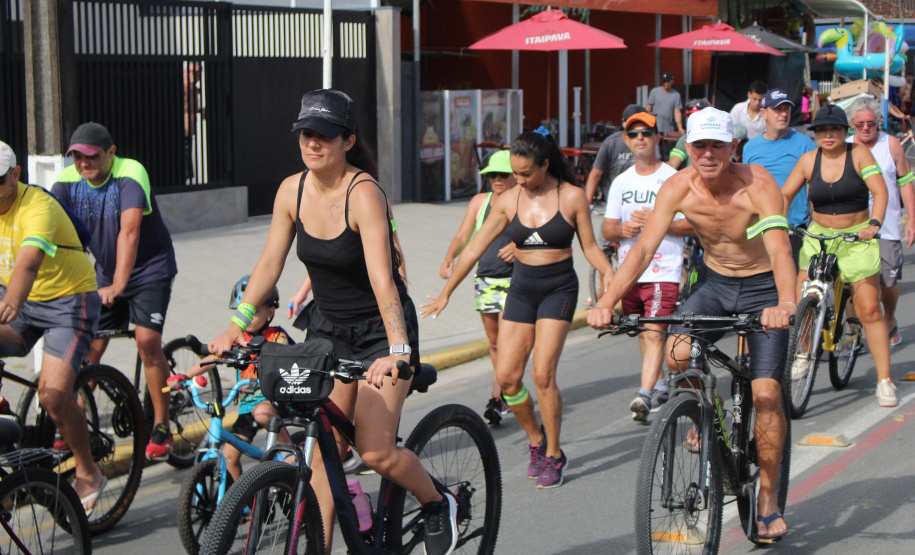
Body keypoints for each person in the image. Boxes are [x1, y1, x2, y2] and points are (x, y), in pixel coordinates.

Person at [210, 89, 457, 555]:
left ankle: (435, 501)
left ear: (347, 141)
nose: (313, 143)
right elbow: (268, 265)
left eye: (324, 135)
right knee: (321, 453)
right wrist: (236, 327)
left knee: (376, 451)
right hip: (326, 329)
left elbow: (385, 283)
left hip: (379, 331)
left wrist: (398, 351)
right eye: (306, 133)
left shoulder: (364, 194)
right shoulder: (291, 190)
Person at [588, 108, 795, 539]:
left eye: (717, 145)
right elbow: (643, 251)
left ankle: (769, 498)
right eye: (699, 145)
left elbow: (779, 251)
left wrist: (787, 302)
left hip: (764, 290)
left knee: (767, 393)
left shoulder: (758, 183)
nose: (707, 154)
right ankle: (707, 421)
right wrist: (606, 300)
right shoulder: (677, 187)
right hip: (716, 284)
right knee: (677, 354)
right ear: (688, 146)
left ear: (732, 146)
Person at [422, 126, 615, 489]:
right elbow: (477, 245)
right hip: (522, 289)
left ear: (545, 165)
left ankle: (555, 454)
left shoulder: (571, 197)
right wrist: (447, 291)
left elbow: (589, 247)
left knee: (542, 375)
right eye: (515, 173)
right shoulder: (509, 200)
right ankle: (536, 439)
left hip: (558, 288)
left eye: (526, 173)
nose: (519, 180)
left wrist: (607, 274)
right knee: (509, 378)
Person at [51, 122, 180, 461]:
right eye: (77, 157)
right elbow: (50, 234)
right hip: (105, 275)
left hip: (149, 270)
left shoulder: (130, 173)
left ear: (111, 152)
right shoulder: (66, 182)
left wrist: (120, 285)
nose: (83, 164)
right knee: (87, 346)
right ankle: (74, 422)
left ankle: (162, 426)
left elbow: (130, 232)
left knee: (147, 340)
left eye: (91, 156)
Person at [0, 141, 106, 514]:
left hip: (67, 301)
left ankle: (89, 471)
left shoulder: (37, 207)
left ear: (15, 175)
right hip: (20, 303)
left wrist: (10, 303)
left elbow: (28, 264)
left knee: (53, 393)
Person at [781, 104, 895, 407]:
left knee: (869, 309)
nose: (828, 135)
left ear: (845, 132)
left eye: (834, 129)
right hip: (820, 236)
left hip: (857, 237)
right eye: (821, 130)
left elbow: (880, 192)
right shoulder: (808, 161)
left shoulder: (859, 154)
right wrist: (776, 221)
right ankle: (804, 352)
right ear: (815, 134)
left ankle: (885, 380)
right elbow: (785, 194)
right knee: (802, 293)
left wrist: (874, 224)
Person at [601, 112, 693, 421]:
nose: (641, 138)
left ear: (658, 138)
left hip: (663, 269)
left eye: (647, 133)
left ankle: (644, 393)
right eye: (634, 133)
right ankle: (661, 384)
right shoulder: (621, 182)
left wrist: (658, 223)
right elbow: (607, 228)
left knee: (654, 334)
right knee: (643, 334)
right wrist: (622, 230)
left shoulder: (673, 178)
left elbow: (692, 224)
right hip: (631, 271)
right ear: (626, 140)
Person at [168, 276, 294, 480]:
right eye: (243, 312)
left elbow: (287, 354)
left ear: (270, 312)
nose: (247, 318)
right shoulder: (239, 338)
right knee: (228, 456)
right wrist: (184, 376)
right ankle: (243, 507)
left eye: (254, 312)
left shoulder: (276, 335)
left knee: (262, 412)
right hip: (246, 406)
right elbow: (212, 357)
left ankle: (289, 451)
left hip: (272, 401)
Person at [438, 150, 517, 426]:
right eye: (492, 175)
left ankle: (498, 396)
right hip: (485, 279)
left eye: (503, 174)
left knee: (507, 343)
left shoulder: (522, 200)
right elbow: (463, 235)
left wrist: (519, 246)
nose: (497, 179)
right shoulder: (479, 202)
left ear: (515, 175)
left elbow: (539, 232)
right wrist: (450, 255)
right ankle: (507, 390)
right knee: (495, 343)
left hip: (514, 281)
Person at [846, 97, 915, 347]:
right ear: (852, 124)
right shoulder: (844, 146)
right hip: (852, 225)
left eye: (871, 123)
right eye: (860, 123)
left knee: (887, 282)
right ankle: (854, 334)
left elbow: (905, 180)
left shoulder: (891, 143)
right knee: (852, 282)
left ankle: (889, 319)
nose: (866, 128)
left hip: (886, 227)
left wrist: (912, 220)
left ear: (879, 122)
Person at [743, 88, 817, 266]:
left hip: (794, 227)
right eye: (777, 109)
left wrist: (815, 222)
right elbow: (746, 188)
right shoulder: (750, 147)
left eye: (787, 109)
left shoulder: (804, 143)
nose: (783, 114)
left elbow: (815, 185)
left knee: (794, 284)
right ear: (764, 113)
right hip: (761, 226)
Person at [584, 103, 655, 206]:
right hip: (616, 201)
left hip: (642, 200)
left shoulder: (648, 142)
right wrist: (587, 206)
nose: (641, 135)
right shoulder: (611, 143)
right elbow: (595, 174)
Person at [667, 98, 711, 170]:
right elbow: (672, 164)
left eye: (698, 116)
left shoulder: (721, 137)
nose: (693, 121)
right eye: (690, 117)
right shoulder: (686, 138)